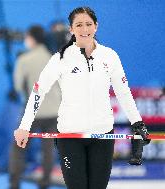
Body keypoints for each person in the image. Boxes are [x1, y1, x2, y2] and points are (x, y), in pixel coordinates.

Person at [14, 7, 150, 189]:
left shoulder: (109, 56)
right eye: (79, 25)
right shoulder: (60, 59)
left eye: (88, 24)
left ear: (96, 26)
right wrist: (24, 126)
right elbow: (38, 93)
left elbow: (123, 92)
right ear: (71, 29)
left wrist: (137, 123)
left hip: (102, 136)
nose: (84, 29)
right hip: (70, 136)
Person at [9, 25, 61, 189]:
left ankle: (15, 183)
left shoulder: (24, 59)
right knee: (48, 148)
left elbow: (18, 87)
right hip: (54, 110)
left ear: (31, 38)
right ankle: (45, 181)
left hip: (32, 111)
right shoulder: (55, 57)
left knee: (19, 147)